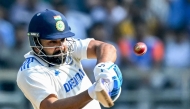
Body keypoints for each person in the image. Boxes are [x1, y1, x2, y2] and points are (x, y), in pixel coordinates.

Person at [16, 9, 122, 109]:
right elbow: (50, 107)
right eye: (52, 42)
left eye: (62, 39)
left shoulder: (69, 47)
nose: (61, 47)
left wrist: (103, 68)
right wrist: (91, 93)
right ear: (36, 44)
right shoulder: (30, 71)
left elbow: (106, 48)